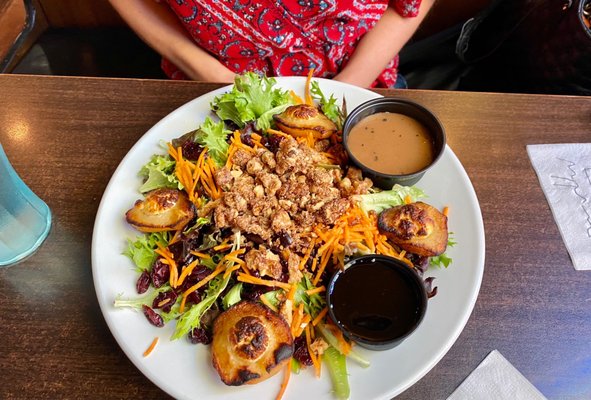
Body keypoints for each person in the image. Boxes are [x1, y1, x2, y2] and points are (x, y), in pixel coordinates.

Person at [109, 0, 435, 88]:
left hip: (358, 75)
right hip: (206, 79)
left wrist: (349, 86)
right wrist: (210, 73)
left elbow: (406, 7)